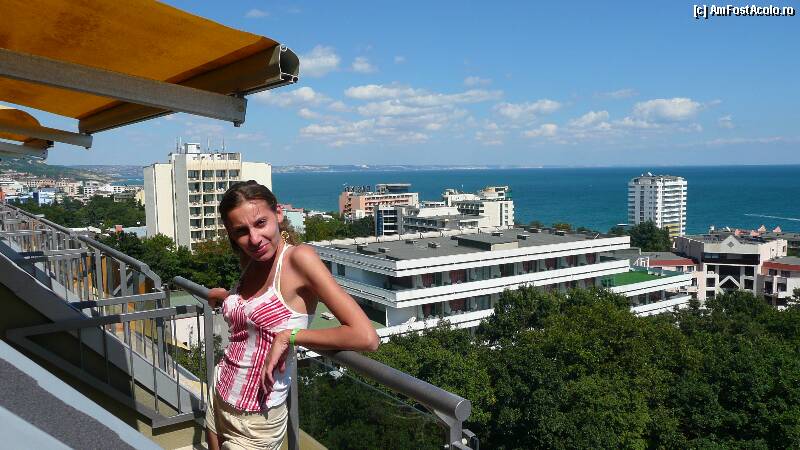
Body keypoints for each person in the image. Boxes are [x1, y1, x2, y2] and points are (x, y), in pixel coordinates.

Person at [204, 180, 379, 450]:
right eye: (241, 231)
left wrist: (290, 336)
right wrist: (228, 297)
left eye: (260, 223)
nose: (254, 238)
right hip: (220, 391)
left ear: (278, 214)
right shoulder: (252, 260)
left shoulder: (299, 259)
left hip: (257, 419)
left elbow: (366, 337)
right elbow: (255, 313)